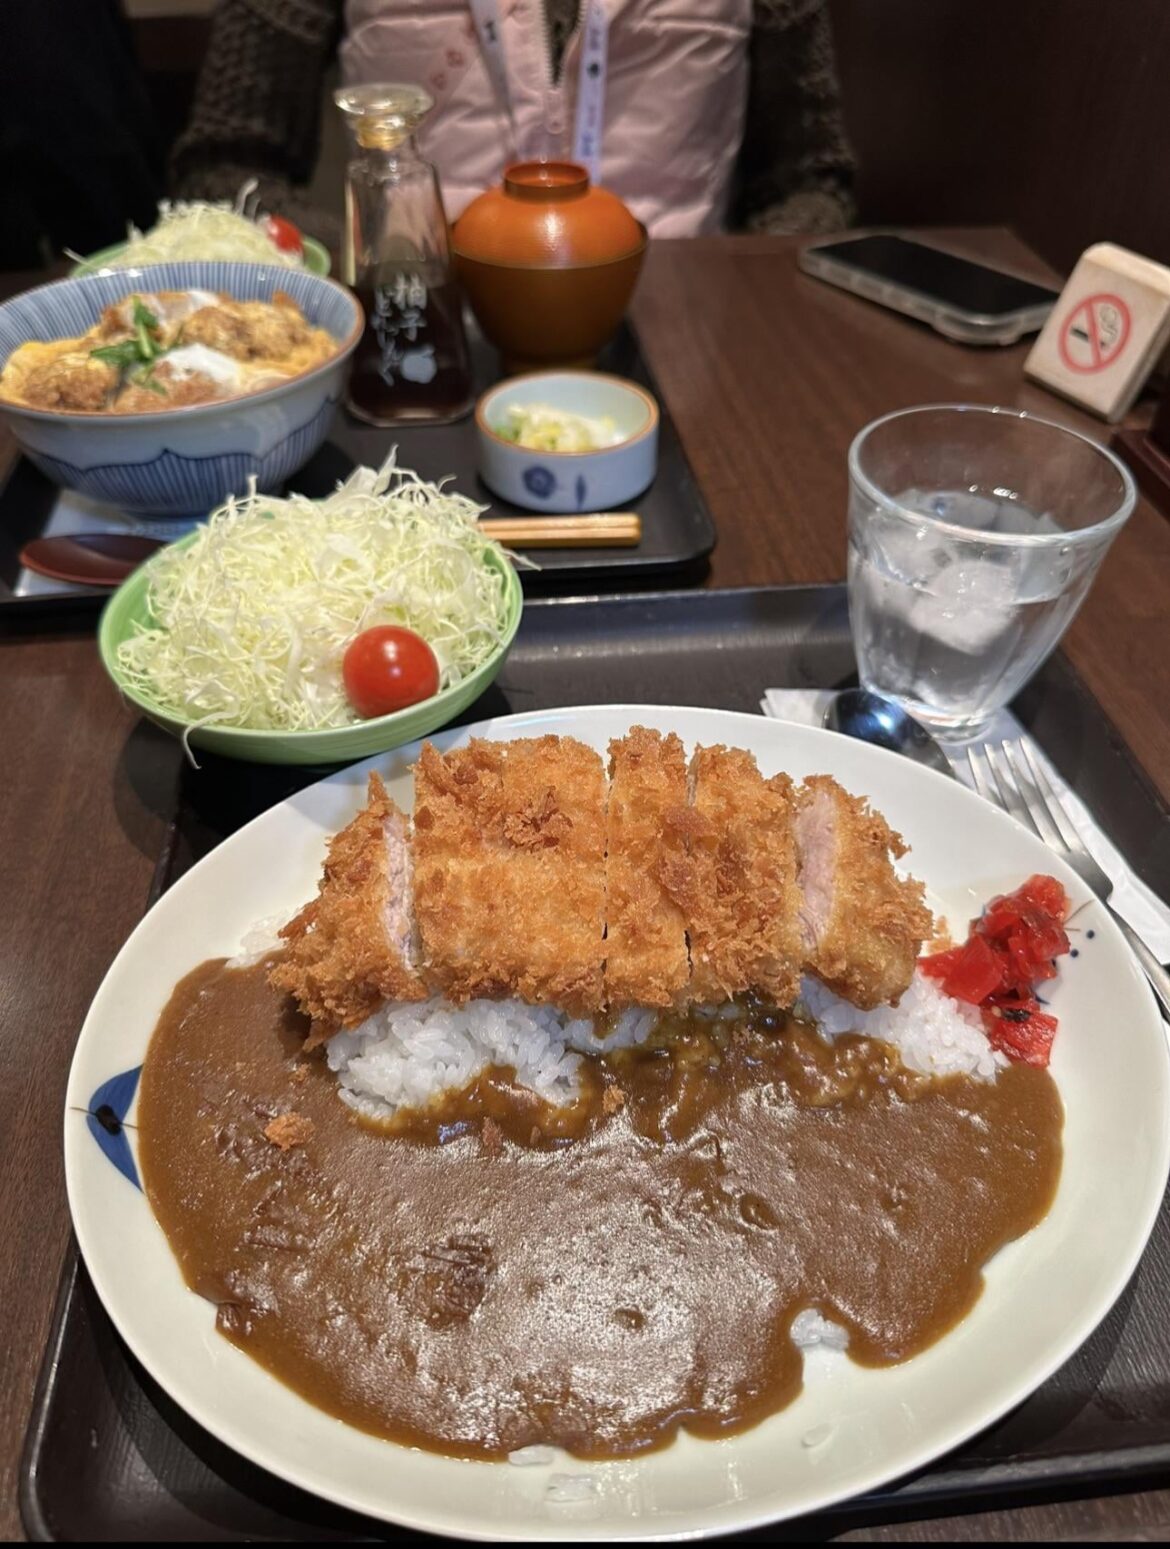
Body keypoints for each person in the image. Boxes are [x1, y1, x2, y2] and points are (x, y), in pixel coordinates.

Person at [171, 0, 854, 245]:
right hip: (410, 327)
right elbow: (223, 170)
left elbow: (810, 182)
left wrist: (738, 302)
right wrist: (375, 256)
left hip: (689, 346)